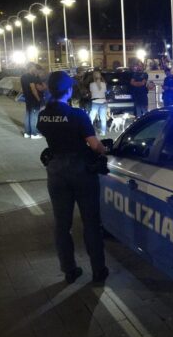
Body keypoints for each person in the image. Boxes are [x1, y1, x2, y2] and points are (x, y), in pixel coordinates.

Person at [37, 71, 109, 284]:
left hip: (56, 171)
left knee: (62, 224)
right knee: (91, 223)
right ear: (69, 90)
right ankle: (98, 271)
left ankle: (69, 270)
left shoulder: (43, 115)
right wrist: (104, 150)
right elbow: (94, 144)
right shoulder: (77, 115)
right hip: (81, 170)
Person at [21, 63, 45, 139]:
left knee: (28, 115)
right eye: (34, 67)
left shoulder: (23, 77)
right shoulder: (30, 77)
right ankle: (34, 134)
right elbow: (33, 89)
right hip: (33, 99)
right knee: (34, 116)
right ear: (31, 67)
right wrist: (38, 99)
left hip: (27, 98)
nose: (35, 69)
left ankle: (27, 133)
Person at [88, 71, 108, 136]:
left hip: (95, 101)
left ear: (93, 77)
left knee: (91, 117)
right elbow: (105, 92)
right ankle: (103, 132)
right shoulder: (104, 84)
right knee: (103, 118)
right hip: (103, 101)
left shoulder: (91, 84)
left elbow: (91, 92)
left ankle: (89, 131)